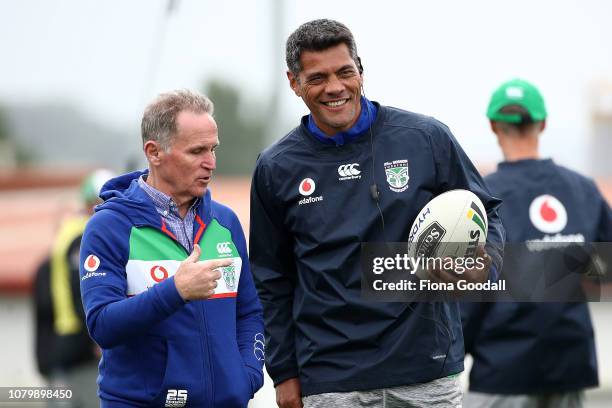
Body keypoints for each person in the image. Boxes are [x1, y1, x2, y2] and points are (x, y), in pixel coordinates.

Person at [249, 19, 505, 408]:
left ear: (361, 70)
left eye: (345, 72)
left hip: (426, 371)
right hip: (332, 379)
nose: (335, 87)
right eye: (318, 77)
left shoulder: (425, 137)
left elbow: (486, 211)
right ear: (294, 82)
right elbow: (271, 279)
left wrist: (485, 264)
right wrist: (283, 373)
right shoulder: (275, 167)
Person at [79, 90, 265, 407]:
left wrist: (246, 375)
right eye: (196, 151)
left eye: (212, 149)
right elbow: (102, 325)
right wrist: (176, 289)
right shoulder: (109, 226)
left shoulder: (225, 221)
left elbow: (249, 313)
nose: (211, 162)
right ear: (154, 153)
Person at [462, 79, 612, 408]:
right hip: (569, 364)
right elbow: (605, 272)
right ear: (542, 123)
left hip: (502, 368)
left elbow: (468, 294)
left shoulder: (482, 200)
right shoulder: (584, 190)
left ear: (493, 126)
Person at [33, 169, 114, 408]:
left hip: (72, 342)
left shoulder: (76, 232)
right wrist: (99, 337)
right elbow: (84, 292)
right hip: (81, 345)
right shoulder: (84, 236)